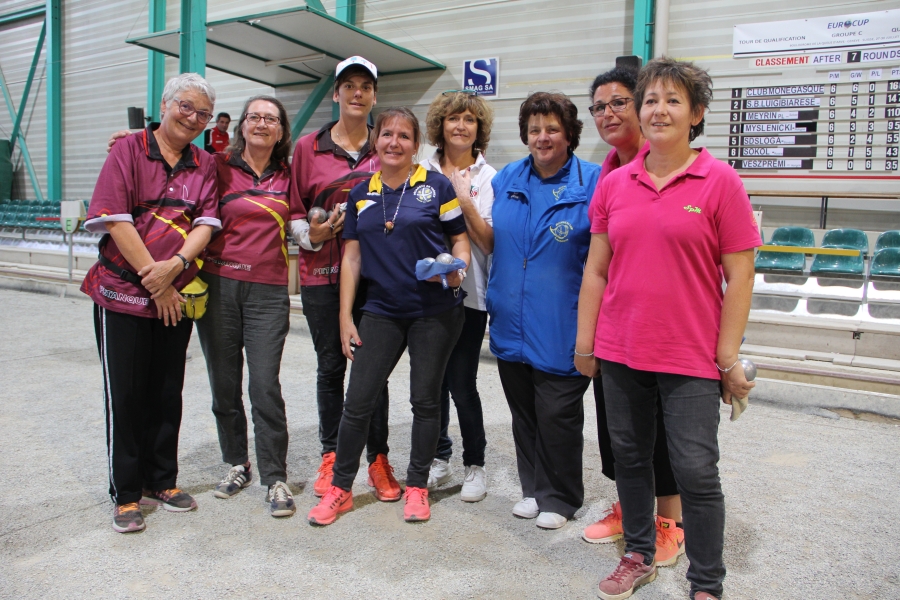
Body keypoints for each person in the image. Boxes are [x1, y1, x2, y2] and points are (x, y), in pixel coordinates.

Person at [576, 57, 760, 600]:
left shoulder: (721, 182)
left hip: (690, 354)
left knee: (695, 469)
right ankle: (638, 553)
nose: (658, 110)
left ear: (696, 113)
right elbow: (596, 270)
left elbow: (741, 275)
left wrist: (727, 356)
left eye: (672, 100)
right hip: (620, 349)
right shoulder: (616, 184)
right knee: (630, 459)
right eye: (650, 100)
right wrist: (586, 343)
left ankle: (706, 581)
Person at [107, 97, 296, 518]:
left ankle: (275, 475)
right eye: (254, 116)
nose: (262, 123)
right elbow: (171, 151)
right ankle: (237, 462)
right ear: (240, 126)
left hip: (267, 292)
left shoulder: (291, 173)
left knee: (264, 385)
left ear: (282, 130)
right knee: (224, 384)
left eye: (271, 118)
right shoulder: (215, 165)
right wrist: (134, 139)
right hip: (219, 286)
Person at [307, 107, 470, 525]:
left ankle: (417, 486)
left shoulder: (436, 186)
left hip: (434, 312)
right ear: (375, 141)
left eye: (404, 136)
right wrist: (346, 317)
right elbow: (352, 258)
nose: (394, 142)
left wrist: (457, 272)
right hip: (380, 311)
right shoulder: (361, 193)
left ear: (416, 144)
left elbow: (460, 240)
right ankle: (341, 488)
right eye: (386, 134)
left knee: (425, 400)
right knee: (358, 400)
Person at [82, 73, 220, 533]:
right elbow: (116, 220)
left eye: (203, 113)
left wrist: (176, 266)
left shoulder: (204, 163)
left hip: (175, 293)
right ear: (164, 105)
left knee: (166, 391)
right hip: (123, 293)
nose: (193, 118)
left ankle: (161, 479)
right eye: (185, 106)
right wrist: (158, 282)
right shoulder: (127, 150)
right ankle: (125, 493)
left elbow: (206, 223)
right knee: (125, 395)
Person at [581, 67, 686, 568]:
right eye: (599, 106)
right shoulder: (607, 174)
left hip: (664, 326)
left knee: (661, 430)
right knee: (618, 430)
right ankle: (633, 508)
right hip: (615, 325)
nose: (609, 114)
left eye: (619, 102)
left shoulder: (668, 166)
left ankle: (670, 522)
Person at [486, 92, 600, 530]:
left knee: (558, 415)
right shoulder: (507, 178)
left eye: (552, 128)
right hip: (510, 322)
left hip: (562, 323)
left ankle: (562, 497)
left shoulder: (593, 182)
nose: (542, 137)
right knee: (525, 413)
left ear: (570, 134)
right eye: (534, 129)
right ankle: (533, 489)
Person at [289, 56, 399, 502]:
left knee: (374, 370)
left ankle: (377, 458)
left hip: (375, 280)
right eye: (349, 85)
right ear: (335, 94)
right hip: (322, 276)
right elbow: (294, 211)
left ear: (374, 96)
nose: (357, 93)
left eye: (366, 87)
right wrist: (312, 235)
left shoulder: (385, 145)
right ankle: (332, 454)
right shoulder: (307, 148)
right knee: (331, 367)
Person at [420, 90, 496, 502]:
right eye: (453, 118)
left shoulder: (489, 178)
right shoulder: (421, 170)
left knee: (462, 383)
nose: (461, 126)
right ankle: (438, 456)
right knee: (430, 382)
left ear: (478, 127)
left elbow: (488, 242)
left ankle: (475, 464)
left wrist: (463, 199)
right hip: (427, 294)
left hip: (470, 295)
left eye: (469, 119)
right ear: (441, 125)